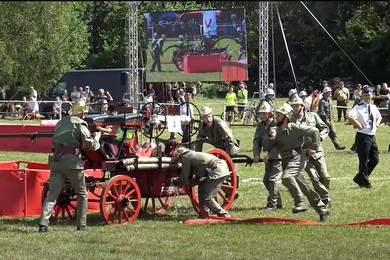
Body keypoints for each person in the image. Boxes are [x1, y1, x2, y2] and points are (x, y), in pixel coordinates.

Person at [38, 98, 101, 232]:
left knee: (52, 195)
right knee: (82, 194)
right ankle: (81, 225)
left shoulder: (61, 122)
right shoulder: (80, 124)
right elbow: (90, 145)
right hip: (72, 163)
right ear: (82, 113)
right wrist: (97, 139)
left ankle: (43, 224)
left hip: (56, 162)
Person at [263, 103, 330, 222]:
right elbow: (268, 145)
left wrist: (312, 147)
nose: (276, 117)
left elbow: (314, 131)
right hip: (286, 160)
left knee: (286, 177)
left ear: (286, 116)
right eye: (276, 114)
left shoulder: (296, 128)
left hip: (298, 158)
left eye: (279, 115)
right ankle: (322, 209)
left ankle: (300, 202)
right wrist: (270, 137)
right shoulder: (275, 129)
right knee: (304, 186)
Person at [290, 97, 332, 207]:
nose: (294, 108)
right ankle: (325, 198)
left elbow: (325, 128)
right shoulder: (290, 120)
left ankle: (323, 192)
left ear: (302, 106)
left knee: (325, 176)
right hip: (303, 153)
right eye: (293, 106)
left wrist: (320, 138)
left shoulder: (313, 116)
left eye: (296, 106)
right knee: (314, 176)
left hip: (317, 151)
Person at [171, 146, 231, 218]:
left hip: (217, 170)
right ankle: (204, 213)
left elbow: (184, 176)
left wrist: (178, 183)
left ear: (179, 155)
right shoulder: (191, 155)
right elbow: (198, 177)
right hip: (219, 168)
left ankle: (224, 214)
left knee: (208, 197)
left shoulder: (185, 157)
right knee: (202, 188)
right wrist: (190, 184)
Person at [347, 87, 381, 189]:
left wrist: (377, 124)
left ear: (372, 95)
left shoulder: (374, 107)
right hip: (362, 136)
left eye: (369, 95)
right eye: (365, 95)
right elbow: (350, 116)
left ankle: (360, 178)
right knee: (364, 160)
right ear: (363, 96)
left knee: (375, 159)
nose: (367, 97)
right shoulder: (359, 107)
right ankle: (365, 183)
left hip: (372, 136)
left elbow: (379, 117)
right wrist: (358, 125)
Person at [253, 102, 283, 210]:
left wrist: (270, 155)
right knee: (266, 180)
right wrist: (256, 155)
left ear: (270, 113)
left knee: (273, 180)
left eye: (264, 113)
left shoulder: (276, 124)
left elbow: (280, 142)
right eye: (261, 113)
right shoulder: (260, 125)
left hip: (279, 155)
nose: (262, 115)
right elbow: (257, 141)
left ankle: (272, 204)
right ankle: (278, 202)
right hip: (269, 156)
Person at [317, 86, 346, 150]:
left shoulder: (329, 100)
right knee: (321, 134)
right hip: (323, 121)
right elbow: (321, 112)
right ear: (325, 93)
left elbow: (331, 109)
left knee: (333, 133)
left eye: (330, 92)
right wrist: (326, 120)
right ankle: (316, 146)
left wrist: (331, 118)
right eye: (328, 92)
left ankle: (337, 146)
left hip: (330, 120)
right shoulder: (321, 101)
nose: (330, 94)